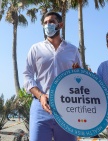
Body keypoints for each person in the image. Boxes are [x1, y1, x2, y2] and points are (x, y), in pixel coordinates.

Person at [23, 11, 82, 141]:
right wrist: (40, 96)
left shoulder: (72, 50)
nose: (47, 25)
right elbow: (27, 76)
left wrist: (78, 74)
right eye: (45, 23)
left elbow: (81, 79)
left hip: (67, 108)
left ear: (60, 25)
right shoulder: (35, 48)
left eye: (51, 22)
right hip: (40, 107)